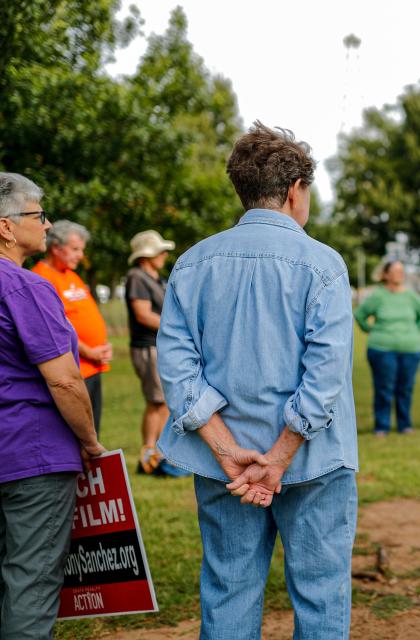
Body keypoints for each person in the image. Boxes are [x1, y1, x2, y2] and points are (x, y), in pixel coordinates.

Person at [156, 122, 358, 638]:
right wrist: (278, 458)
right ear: (295, 191)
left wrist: (227, 452)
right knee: (320, 597)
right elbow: (325, 374)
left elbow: (178, 368)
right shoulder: (324, 266)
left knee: (228, 593)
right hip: (314, 460)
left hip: (227, 464)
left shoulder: (192, 263)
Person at [0, 173, 106, 638]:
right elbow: (64, 380)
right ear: (5, 226)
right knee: (30, 581)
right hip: (31, 457)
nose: (46, 225)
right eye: (37, 215)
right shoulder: (27, 288)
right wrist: (88, 440)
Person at [32, 220, 112, 434]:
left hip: (93, 366)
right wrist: (89, 351)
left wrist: (102, 346)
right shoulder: (42, 278)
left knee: (95, 428)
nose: (80, 255)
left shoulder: (71, 274)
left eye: (81, 250)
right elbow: (58, 327)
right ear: (56, 247)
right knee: (81, 433)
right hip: (74, 370)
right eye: (75, 249)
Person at [354, 260, 420, 436]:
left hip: (411, 350)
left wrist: (413, 332)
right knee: (384, 389)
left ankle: (405, 425)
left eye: (401, 271)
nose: (399, 274)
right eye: (395, 271)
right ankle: (382, 426)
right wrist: (370, 330)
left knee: (405, 389)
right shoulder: (378, 296)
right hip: (382, 349)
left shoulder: (411, 296)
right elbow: (359, 315)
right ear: (386, 275)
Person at [125, 229, 174, 474]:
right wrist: (174, 327)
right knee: (157, 401)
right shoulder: (137, 277)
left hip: (160, 346)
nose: (165, 255)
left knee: (164, 401)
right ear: (146, 255)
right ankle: (148, 455)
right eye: (159, 251)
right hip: (147, 347)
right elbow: (143, 315)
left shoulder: (156, 278)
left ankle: (157, 454)